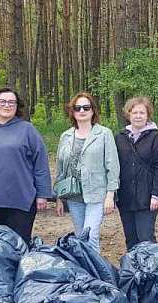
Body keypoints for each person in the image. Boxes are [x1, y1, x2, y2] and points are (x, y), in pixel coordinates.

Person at [0, 86, 51, 243]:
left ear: (17, 106)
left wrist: (42, 194)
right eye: (3, 101)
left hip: (21, 199)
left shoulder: (27, 130)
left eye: (12, 102)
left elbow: (40, 162)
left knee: (19, 244)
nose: (7, 105)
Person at [54, 91, 119, 250]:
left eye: (86, 107)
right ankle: (85, 266)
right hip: (73, 195)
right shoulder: (66, 136)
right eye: (78, 108)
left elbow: (112, 166)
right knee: (80, 237)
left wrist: (110, 195)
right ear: (72, 112)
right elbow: (60, 168)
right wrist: (58, 197)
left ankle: (95, 266)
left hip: (96, 194)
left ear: (93, 110)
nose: (82, 111)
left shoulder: (104, 134)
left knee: (91, 236)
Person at [114, 96, 158, 249]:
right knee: (131, 239)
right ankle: (133, 264)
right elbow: (113, 166)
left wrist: (157, 194)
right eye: (134, 113)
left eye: (142, 113)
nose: (138, 116)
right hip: (125, 197)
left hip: (147, 198)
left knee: (146, 238)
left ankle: (151, 264)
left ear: (148, 115)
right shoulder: (119, 138)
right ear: (128, 114)